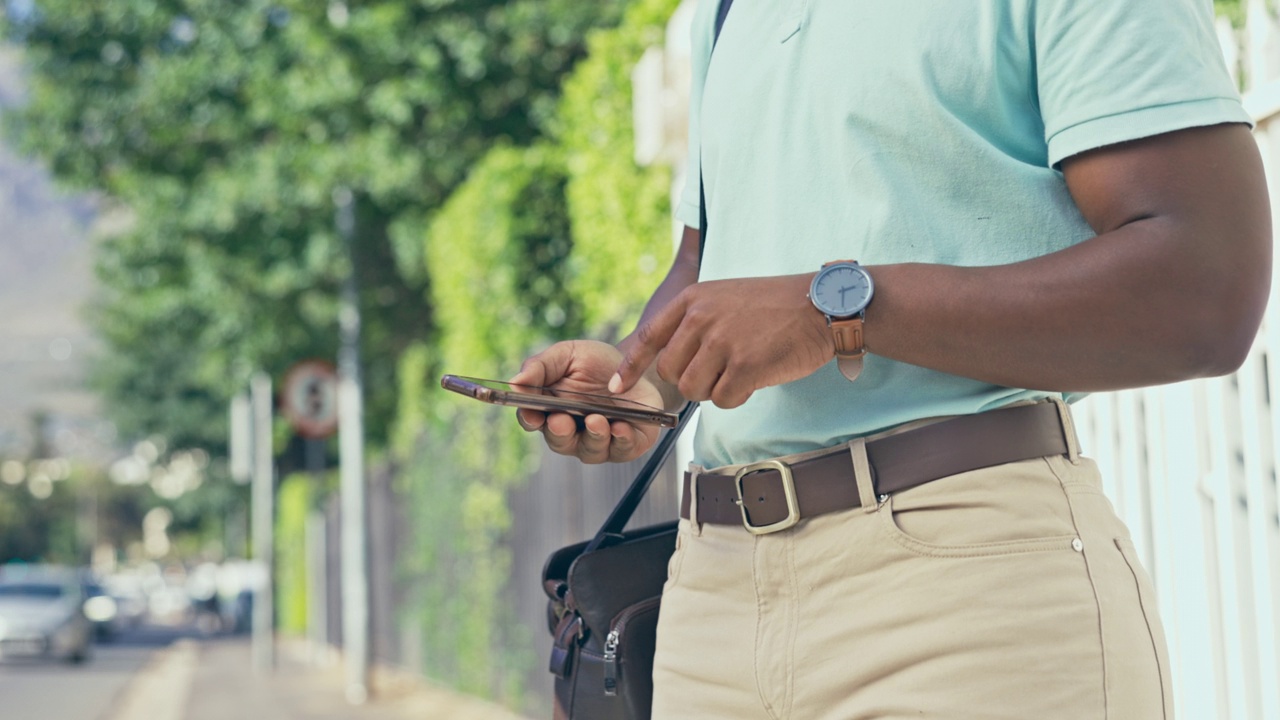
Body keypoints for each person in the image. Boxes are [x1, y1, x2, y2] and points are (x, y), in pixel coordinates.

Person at [513, 0, 1271, 717]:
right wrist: (640, 379)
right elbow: (709, 265)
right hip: (709, 604)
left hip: (968, 589)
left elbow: (1206, 289)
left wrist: (834, 309)